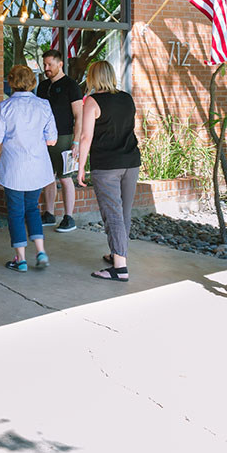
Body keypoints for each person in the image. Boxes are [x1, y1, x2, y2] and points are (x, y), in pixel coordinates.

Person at [76, 60, 141, 282]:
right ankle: (117, 254)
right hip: (131, 161)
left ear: (93, 77)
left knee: (112, 213)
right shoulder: (126, 98)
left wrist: (80, 167)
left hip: (106, 165)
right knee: (123, 212)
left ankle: (120, 269)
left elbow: (86, 137)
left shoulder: (93, 101)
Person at [0, 64, 58, 272]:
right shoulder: (44, 105)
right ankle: (41, 251)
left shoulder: (5, 107)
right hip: (37, 167)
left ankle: (20, 259)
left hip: (14, 169)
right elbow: (52, 140)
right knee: (33, 209)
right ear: (33, 82)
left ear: (11, 81)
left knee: (16, 212)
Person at [37, 48, 83, 233]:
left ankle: (68, 217)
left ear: (60, 64)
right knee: (47, 177)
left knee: (65, 178)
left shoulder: (71, 86)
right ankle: (49, 213)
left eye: (50, 64)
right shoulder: (42, 86)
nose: (46, 68)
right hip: (44, 138)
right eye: (45, 64)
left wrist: (77, 142)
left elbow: (79, 116)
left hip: (64, 137)